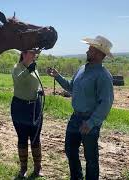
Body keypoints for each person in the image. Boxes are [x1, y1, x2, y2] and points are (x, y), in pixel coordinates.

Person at [47, 35, 114, 180]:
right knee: (70, 150)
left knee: (91, 158)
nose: (86, 52)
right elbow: (71, 88)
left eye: (90, 49)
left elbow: (106, 103)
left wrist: (91, 123)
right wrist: (57, 76)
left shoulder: (103, 76)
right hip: (75, 118)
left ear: (98, 54)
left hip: (89, 121)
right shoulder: (81, 69)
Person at [11, 49, 44, 178]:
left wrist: (39, 90)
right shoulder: (17, 68)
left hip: (35, 107)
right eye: (31, 52)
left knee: (36, 138)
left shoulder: (34, 67)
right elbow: (19, 80)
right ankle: (23, 168)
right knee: (22, 138)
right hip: (20, 107)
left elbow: (35, 83)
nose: (34, 55)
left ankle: (38, 168)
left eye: (35, 53)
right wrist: (29, 69)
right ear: (24, 54)